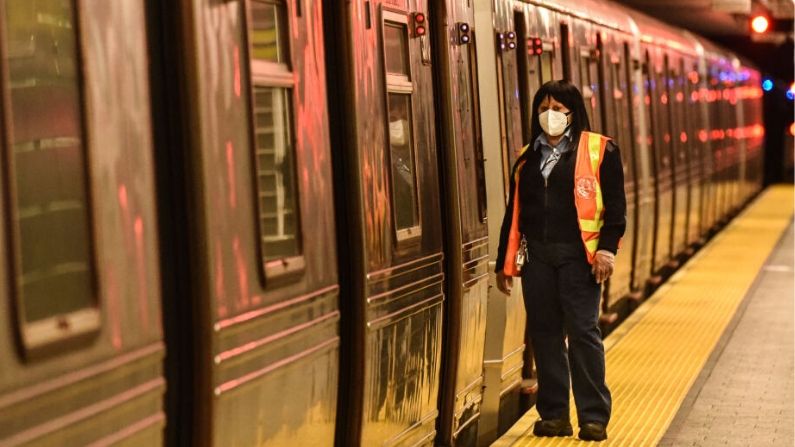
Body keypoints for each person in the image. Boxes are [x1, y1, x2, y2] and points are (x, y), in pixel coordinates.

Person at [494, 80, 626, 442]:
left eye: (556, 108)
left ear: (572, 112)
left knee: (583, 333)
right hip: (537, 257)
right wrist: (502, 264)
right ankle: (554, 415)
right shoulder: (527, 156)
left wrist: (607, 250)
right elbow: (515, 213)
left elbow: (616, 209)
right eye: (542, 108)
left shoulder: (601, 150)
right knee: (546, 335)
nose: (548, 115)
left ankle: (594, 417)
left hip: (580, 258)